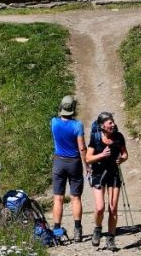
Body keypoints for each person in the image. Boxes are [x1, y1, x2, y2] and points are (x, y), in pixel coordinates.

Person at [85, 112, 128, 251]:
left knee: (113, 208)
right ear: (102, 126)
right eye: (110, 123)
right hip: (98, 174)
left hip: (113, 174)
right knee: (99, 207)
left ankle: (111, 238)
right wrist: (102, 155)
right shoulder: (96, 137)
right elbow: (88, 158)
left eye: (113, 122)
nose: (113, 124)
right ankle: (97, 229)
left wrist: (121, 159)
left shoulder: (119, 137)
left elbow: (125, 153)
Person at [51, 95, 87, 242]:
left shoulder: (53, 122)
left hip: (59, 162)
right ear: (73, 109)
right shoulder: (77, 125)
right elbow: (82, 148)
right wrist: (87, 165)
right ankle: (77, 231)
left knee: (58, 198)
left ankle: (57, 232)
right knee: (75, 198)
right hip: (74, 163)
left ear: (61, 108)